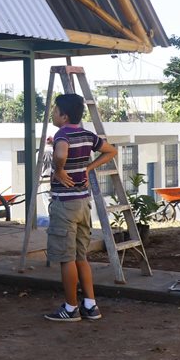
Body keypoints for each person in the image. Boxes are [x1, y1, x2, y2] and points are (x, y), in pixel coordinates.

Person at [43, 93, 116, 322]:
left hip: (64, 205)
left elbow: (62, 152)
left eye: (55, 111)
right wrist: (88, 168)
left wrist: (59, 169)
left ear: (64, 116)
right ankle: (91, 306)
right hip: (84, 202)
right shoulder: (86, 134)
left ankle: (70, 307)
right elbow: (111, 151)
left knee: (66, 258)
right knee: (81, 256)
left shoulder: (62, 134)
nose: (53, 114)